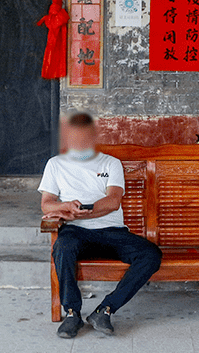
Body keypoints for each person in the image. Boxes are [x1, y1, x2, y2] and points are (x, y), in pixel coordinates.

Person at [38, 112, 162, 339]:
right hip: (75, 232)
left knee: (150, 255)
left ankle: (104, 309)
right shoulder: (55, 164)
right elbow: (47, 205)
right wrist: (66, 206)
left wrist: (81, 212)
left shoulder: (111, 163)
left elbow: (113, 201)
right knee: (63, 247)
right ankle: (72, 313)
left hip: (111, 232)